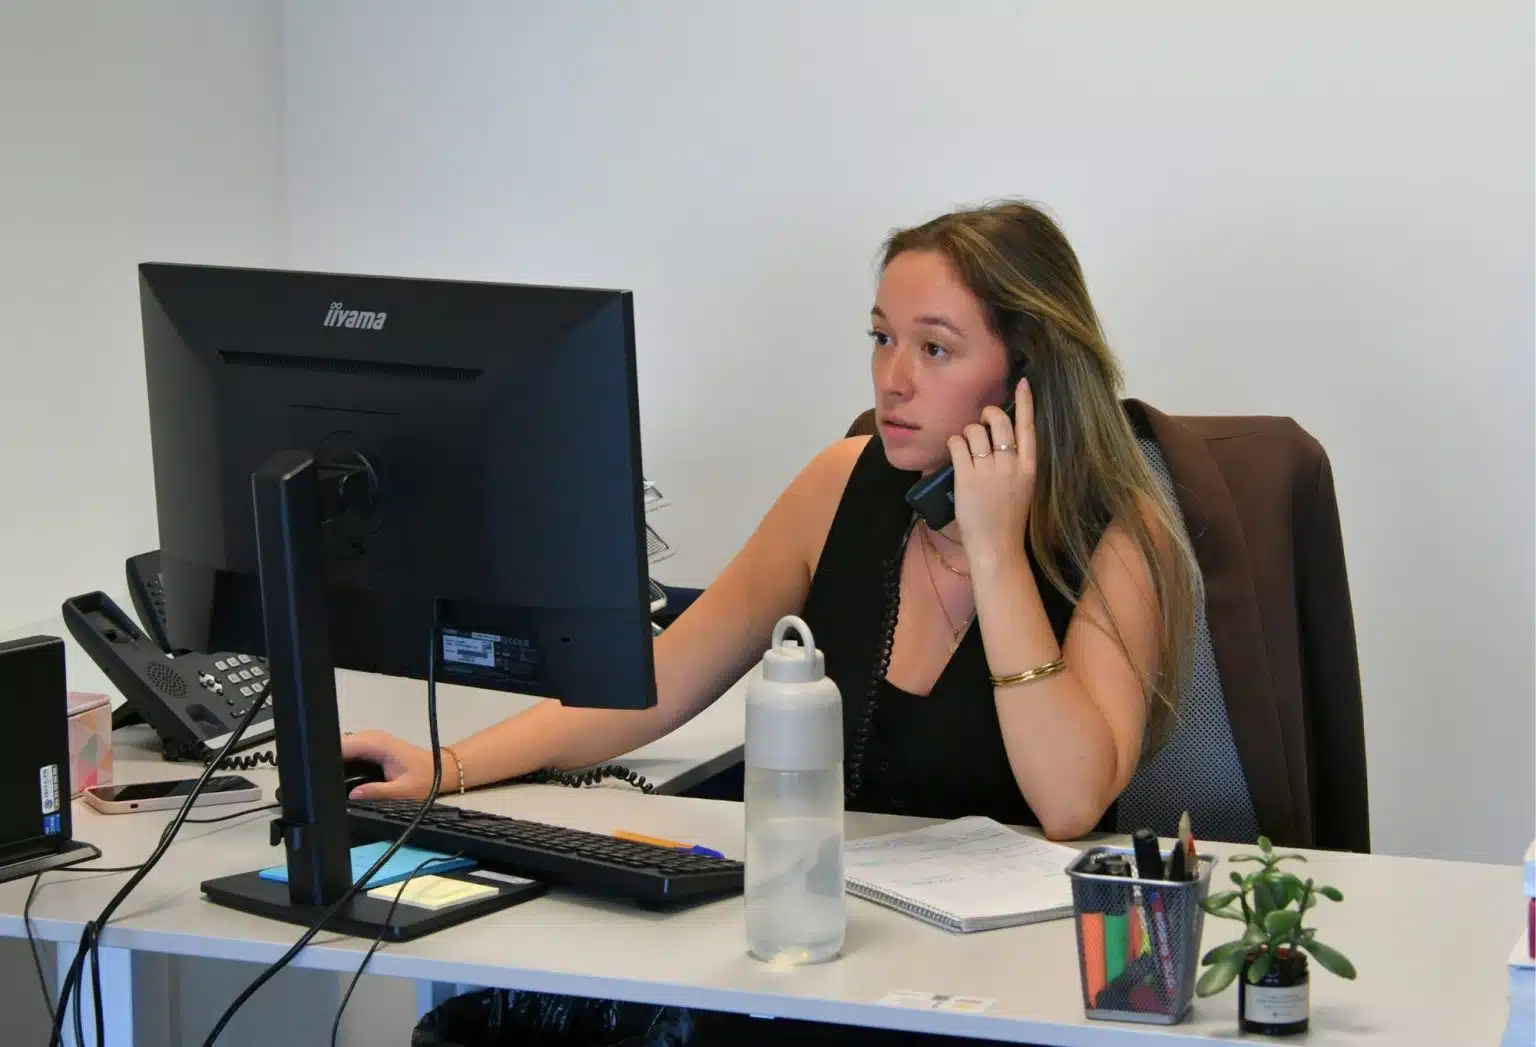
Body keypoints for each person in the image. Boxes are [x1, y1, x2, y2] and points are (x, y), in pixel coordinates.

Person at [344, 200, 1202, 840]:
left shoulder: (1120, 539)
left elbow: (1069, 803)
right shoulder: (839, 485)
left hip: (1010, 976)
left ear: (1025, 376)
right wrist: (445, 767)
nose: (893, 379)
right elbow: (658, 682)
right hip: (831, 923)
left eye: (934, 348)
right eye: (882, 338)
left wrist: (996, 551)